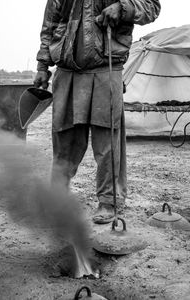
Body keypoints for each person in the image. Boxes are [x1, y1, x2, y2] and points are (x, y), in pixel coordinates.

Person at [34, 0, 161, 224]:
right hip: (67, 70)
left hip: (106, 68)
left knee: (107, 142)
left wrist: (123, 8)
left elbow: (151, 7)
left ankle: (108, 201)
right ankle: (58, 197)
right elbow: (50, 24)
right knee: (64, 139)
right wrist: (43, 66)